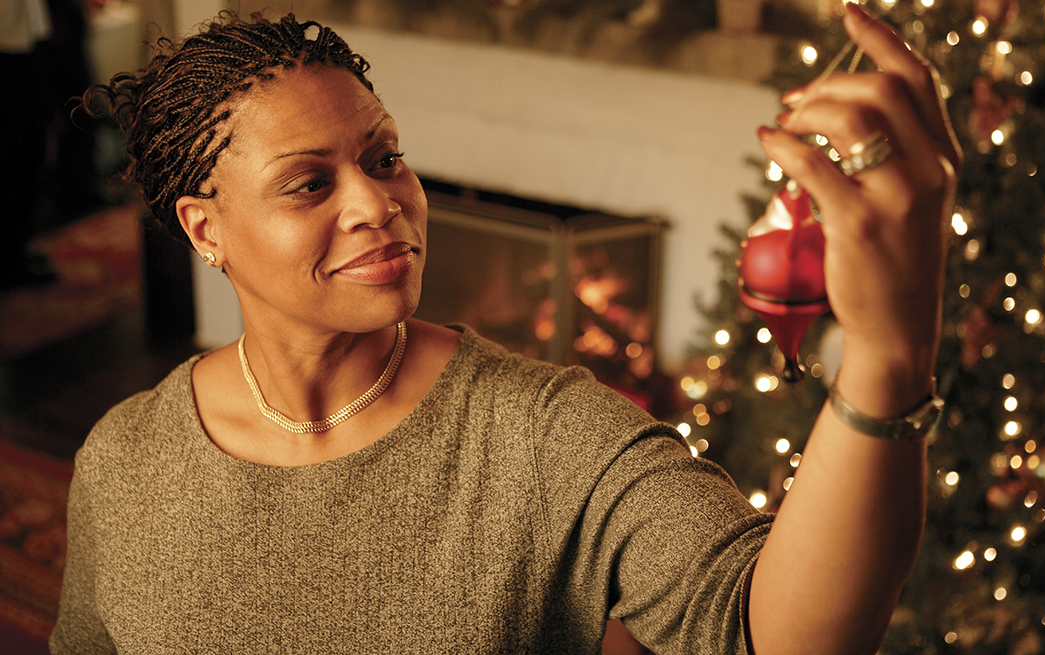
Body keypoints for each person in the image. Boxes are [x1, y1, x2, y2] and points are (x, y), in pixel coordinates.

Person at [52, 4, 959, 654]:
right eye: (309, 182)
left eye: (384, 157)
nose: (382, 201)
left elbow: (766, 631)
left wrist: (885, 355)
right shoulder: (124, 458)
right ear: (206, 230)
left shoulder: (552, 435)